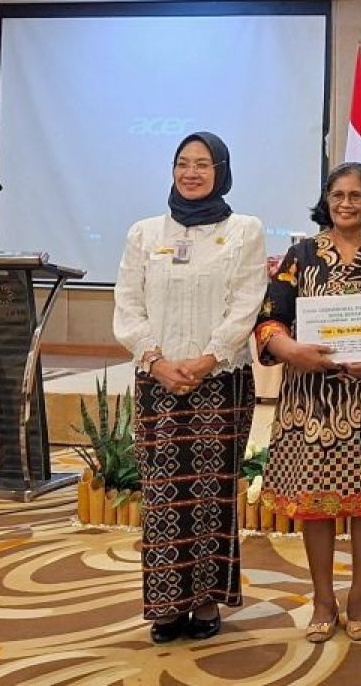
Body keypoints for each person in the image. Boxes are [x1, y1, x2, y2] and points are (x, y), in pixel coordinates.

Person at [255, 162, 361, 643]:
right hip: (312, 400)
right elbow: (270, 320)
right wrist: (292, 350)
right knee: (317, 503)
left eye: (356, 196)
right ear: (325, 200)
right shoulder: (300, 254)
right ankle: (323, 599)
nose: (346, 204)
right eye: (337, 195)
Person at [113, 131, 267, 643]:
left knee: (210, 493)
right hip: (156, 381)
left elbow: (246, 303)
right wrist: (156, 361)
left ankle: (204, 601)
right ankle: (165, 605)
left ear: (221, 171)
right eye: (183, 163)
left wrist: (205, 361)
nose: (192, 172)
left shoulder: (244, 231)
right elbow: (127, 304)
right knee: (162, 497)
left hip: (220, 382)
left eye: (203, 164)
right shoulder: (144, 233)